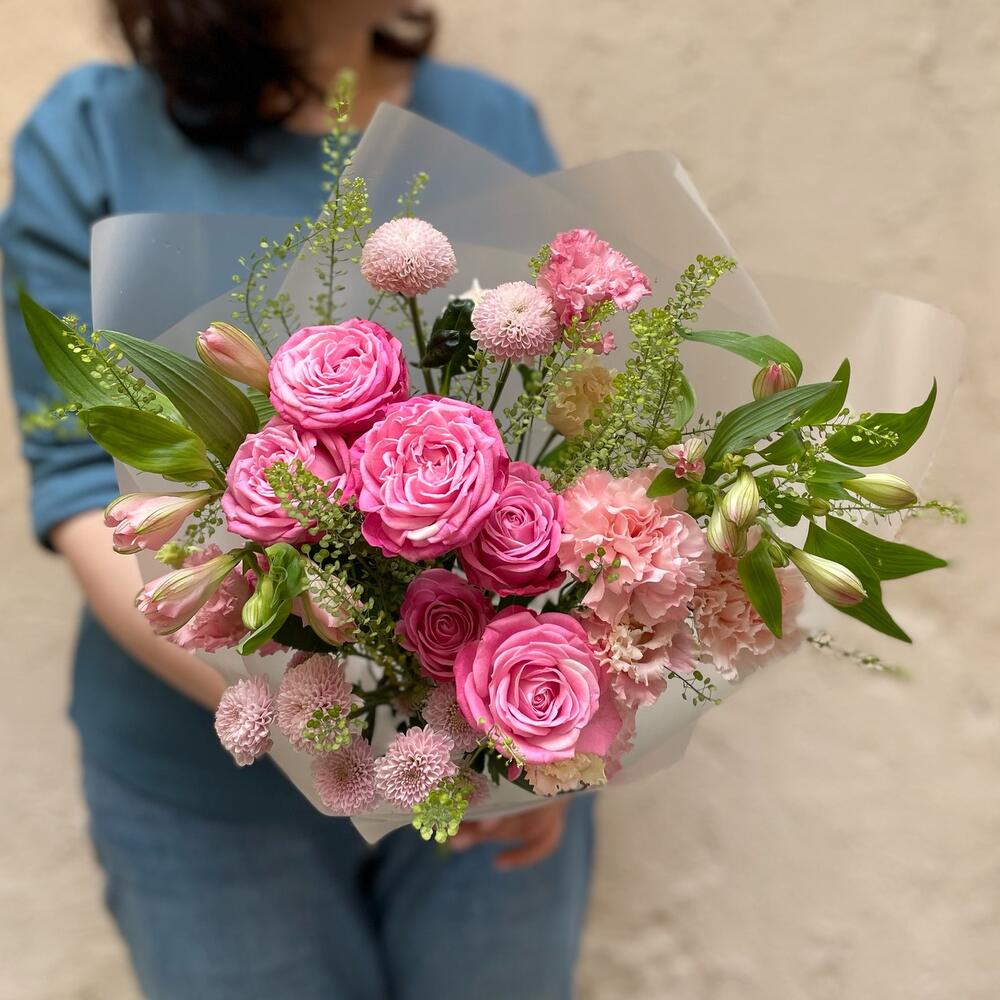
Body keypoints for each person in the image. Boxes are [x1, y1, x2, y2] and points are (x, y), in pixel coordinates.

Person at [0, 3, 593, 998]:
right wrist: (329, 718)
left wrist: (541, 725)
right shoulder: (94, 134)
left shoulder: (493, 123)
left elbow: (568, 443)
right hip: (206, 787)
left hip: (486, 766)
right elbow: (80, 487)